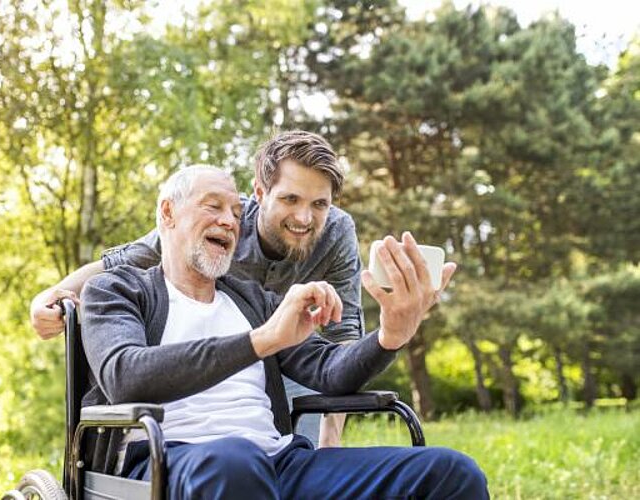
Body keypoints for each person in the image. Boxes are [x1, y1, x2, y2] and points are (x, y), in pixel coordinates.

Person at [79, 166, 487, 499]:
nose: (229, 221)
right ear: (167, 213)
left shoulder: (254, 301)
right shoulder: (118, 290)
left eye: (237, 213)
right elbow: (125, 376)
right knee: (236, 461)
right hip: (167, 462)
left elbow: (329, 371)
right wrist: (261, 341)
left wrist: (390, 336)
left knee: (451, 472)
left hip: (279, 463)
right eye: (213, 206)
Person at [31, 130, 363, 447]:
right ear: (260, 195)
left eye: (319, 204)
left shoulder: (336, 232)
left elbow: (342, 334)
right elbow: (123, 260)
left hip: (290, 357)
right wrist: (52, 294)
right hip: (209, 359)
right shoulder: (222, 222)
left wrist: (330, 441)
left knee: (301, 449)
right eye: (290, 199)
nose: (304, 217)